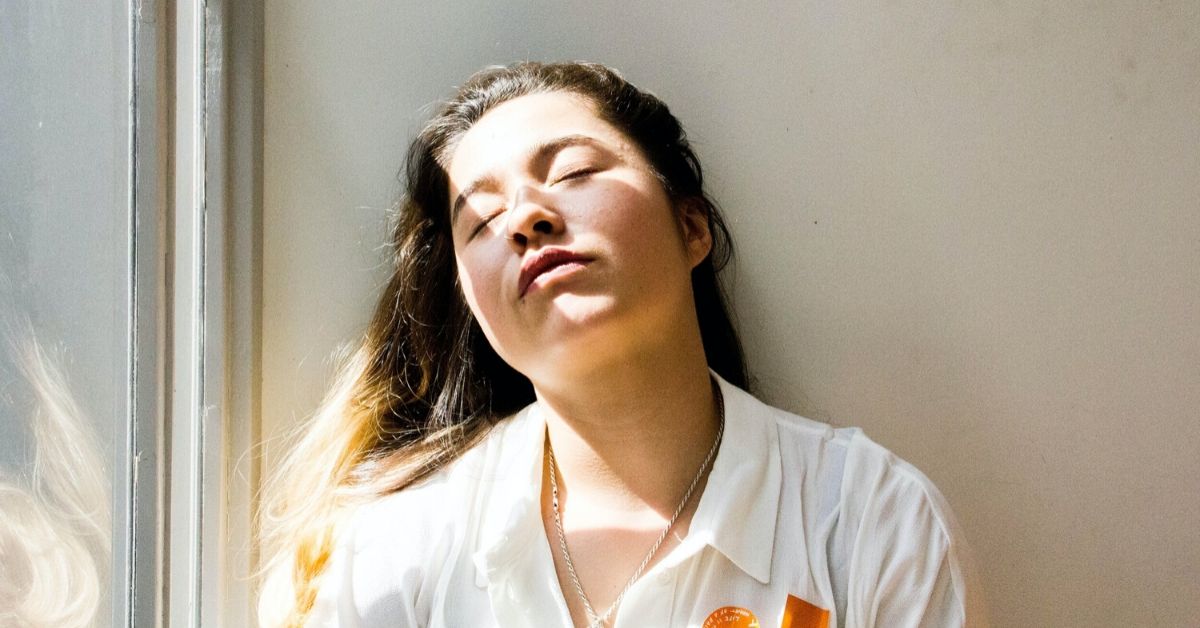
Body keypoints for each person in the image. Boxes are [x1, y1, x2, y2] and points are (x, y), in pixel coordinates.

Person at [258, 61, 986, 628]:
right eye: (481, 219)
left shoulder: (868, 521)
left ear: (692, 227)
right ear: (470, 300)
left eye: (572, 172)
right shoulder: (388, 554)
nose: (527, 216)